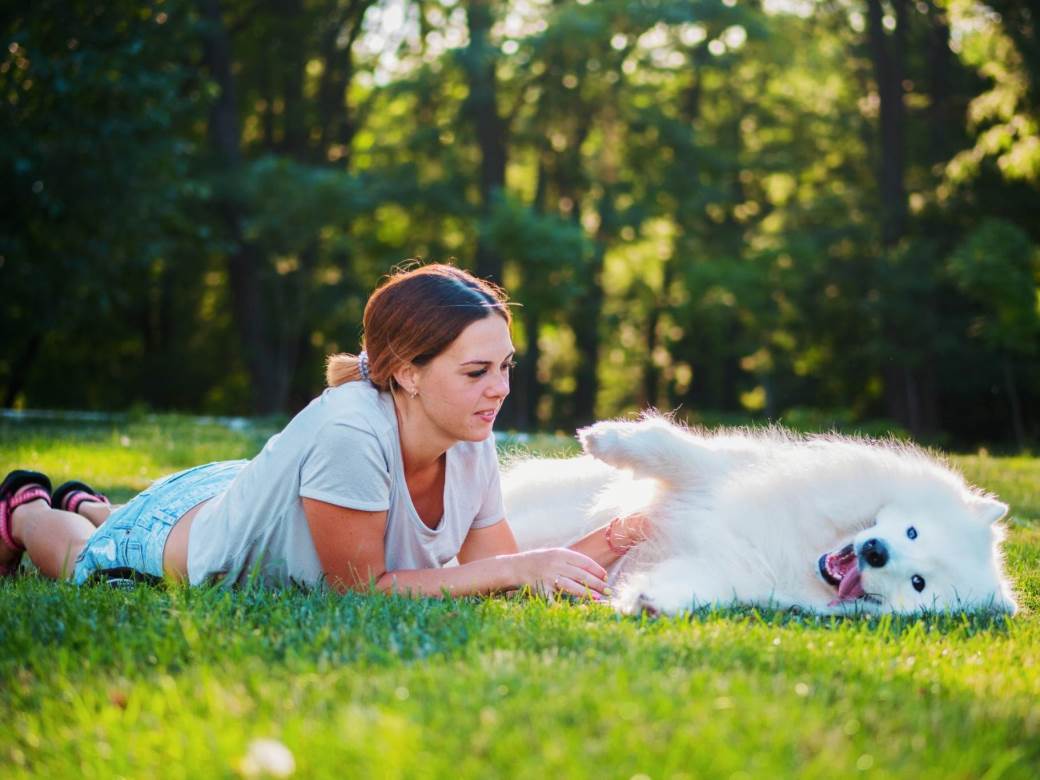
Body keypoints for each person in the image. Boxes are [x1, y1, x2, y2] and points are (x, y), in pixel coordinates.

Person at [0, 263, 649, 597]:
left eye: (505, 366)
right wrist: (518, 569)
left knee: (121, 517)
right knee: (82, 560)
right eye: (477, 371)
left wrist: (619, 537)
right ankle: (27, 511)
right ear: (408, 372)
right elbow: (363, 591)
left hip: (237, 493)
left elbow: (499, 571)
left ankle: (90, 503)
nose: (500, 388)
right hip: (182, 543)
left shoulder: (468, 436)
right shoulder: (351, 432)